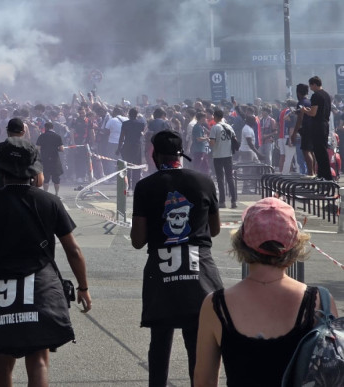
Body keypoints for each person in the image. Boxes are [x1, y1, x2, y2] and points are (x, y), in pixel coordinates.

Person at [0, 124, 92, 387]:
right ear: (33, 170)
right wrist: (83, 287)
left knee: (2, 364)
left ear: (2, 169)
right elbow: (73, 249)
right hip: (40, 286)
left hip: (3, 289)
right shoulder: (49, 202)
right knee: (38, 360)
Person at [193, 197, 338, 387]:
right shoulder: (320, 301)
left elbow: (204, 381)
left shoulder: (215, 305)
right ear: (295, 242)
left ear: (242, 242)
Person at [131, 130, 222, 387]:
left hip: (161, 272)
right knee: (197, 343)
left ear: (154, 155)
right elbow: (214, 230)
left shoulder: (145, 187)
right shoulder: (204, 181)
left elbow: (138, 241)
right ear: (181, 153)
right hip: (198, 271)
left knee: (159, 342)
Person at [302, 76, 333, 180]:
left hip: (318, 125)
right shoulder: (327, 95)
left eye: (311, 86)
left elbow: (313, 113)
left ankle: (324, 175)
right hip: (325, 124)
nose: (310, 88)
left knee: (319, 151)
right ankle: (323, 174)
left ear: (314, 84)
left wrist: (304, 110)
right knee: (322, 150)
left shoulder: (316, 96)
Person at [208, 110, 237, 209]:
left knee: (220, 179)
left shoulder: (215, 128)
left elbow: (212, 143)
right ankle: (233, 201)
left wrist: (208, 140)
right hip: (228, 155)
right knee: (230, 178)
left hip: (218, 156)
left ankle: (222, 201)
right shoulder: (229, 126)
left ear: (215, 116)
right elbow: (234, 138)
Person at [35, 121, 65, 198]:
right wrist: (56, 149)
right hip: (55, 159)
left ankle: (46, 194)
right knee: (56, 178)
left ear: (45, 128)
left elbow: (37, 148)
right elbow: (62, 149)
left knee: (46, 177)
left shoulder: (42, 136)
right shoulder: (57, 136)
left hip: (45, 159)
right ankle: (57, 194)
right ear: (52, 127)